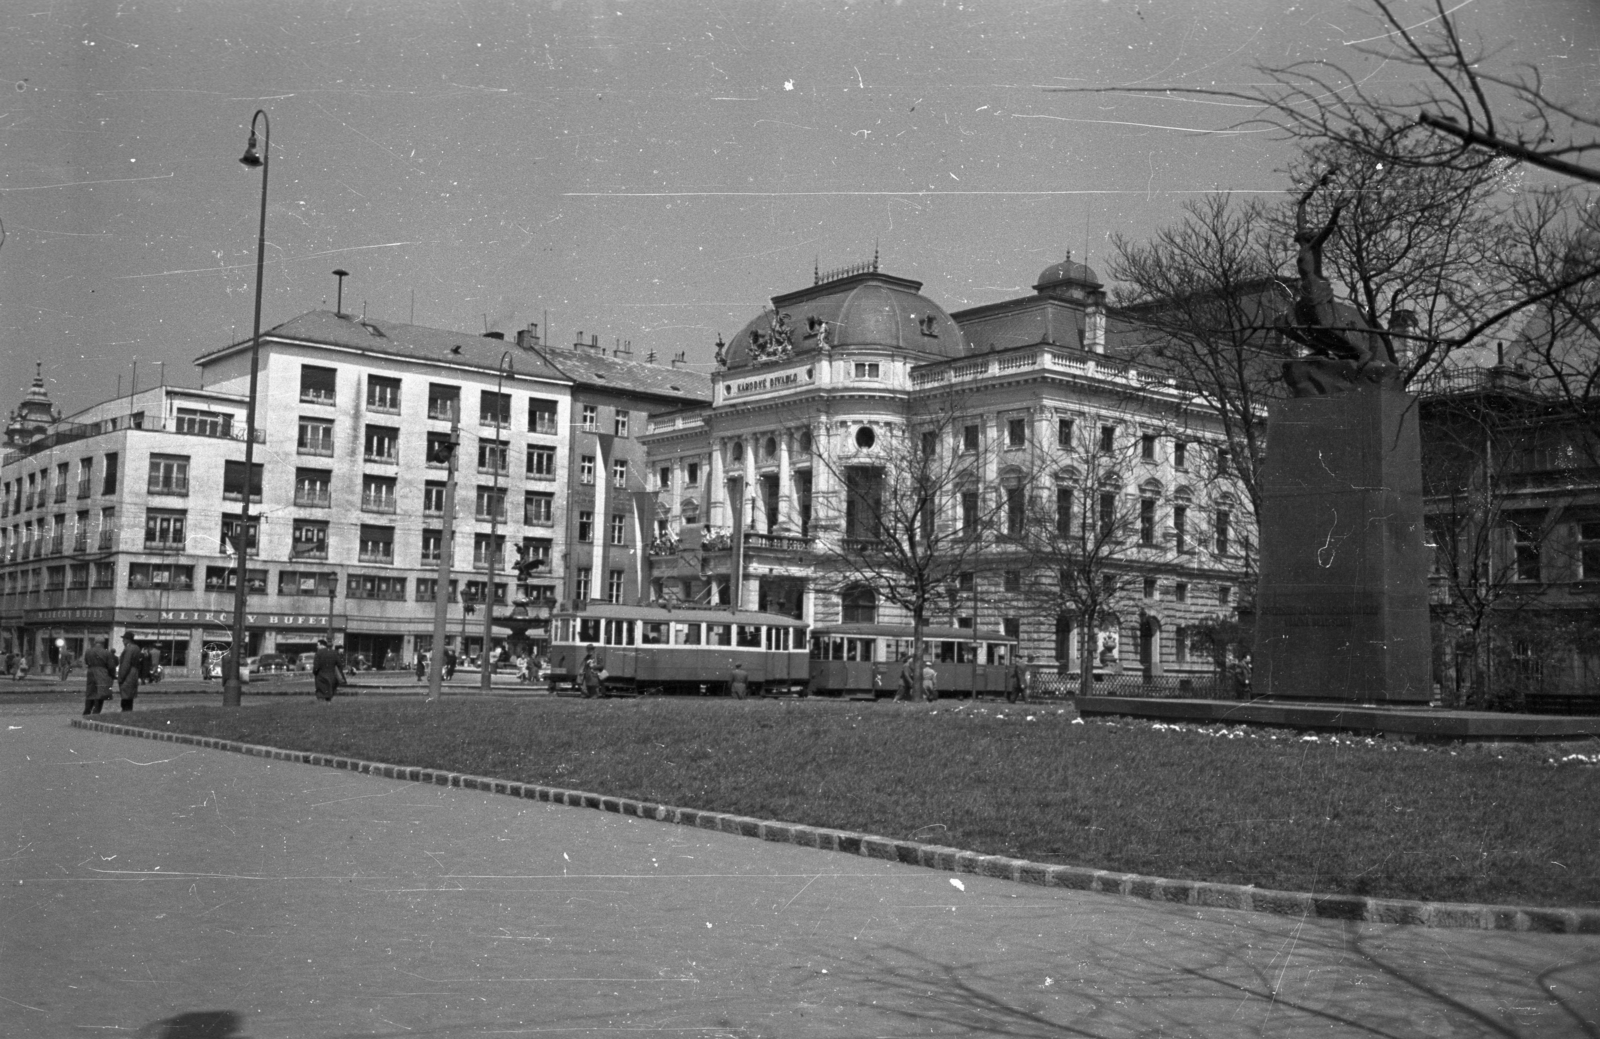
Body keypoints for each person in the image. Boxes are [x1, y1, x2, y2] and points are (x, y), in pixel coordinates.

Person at [82, 638, 116, 716]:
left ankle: (87, 711)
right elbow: (111, 666)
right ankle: (96, 712)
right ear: (103, 643)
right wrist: (112, 675)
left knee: (90, 692)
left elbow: (86, 661)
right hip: (102, 672)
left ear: (95, 642)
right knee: (101, 693)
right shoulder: (106, 652)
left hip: (91, 672)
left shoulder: (88, 651)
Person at [115, 633, 142, 711]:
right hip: (134, 673)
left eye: (124, 639)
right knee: (129, 697)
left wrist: (120, 678)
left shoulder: (129, 649)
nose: (123, 641)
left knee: (125, 698)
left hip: (128, 675)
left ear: (127, 640)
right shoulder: (136, 648)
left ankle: (125, 713)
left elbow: (126, 664)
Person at [312, 638, 345, 703]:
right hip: (331, 676)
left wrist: (315, 672)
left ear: (322, 645)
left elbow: (316, 666)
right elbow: (340, 665)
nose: (317, 647)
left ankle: (321, 708)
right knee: (329, 694)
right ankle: (328, 705)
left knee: (321, 694)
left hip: (321, 677)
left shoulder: (319, 653)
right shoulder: (334, 652)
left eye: (317, 645)